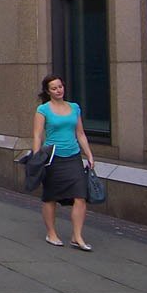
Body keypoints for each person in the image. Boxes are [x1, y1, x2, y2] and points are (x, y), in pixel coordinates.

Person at [33, 74, 96, 251]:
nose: (58, 90)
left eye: (60, 86)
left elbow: (80, 134)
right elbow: (38, 135)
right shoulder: (43, 110)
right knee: (51, 196)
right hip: (53, 158)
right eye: (54, 88)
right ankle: (51, 233)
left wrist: (89, 155)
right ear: (48, 91)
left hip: (73, 157)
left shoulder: (74, 107)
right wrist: (37, 158)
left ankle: (77, 236)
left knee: (80, 196)